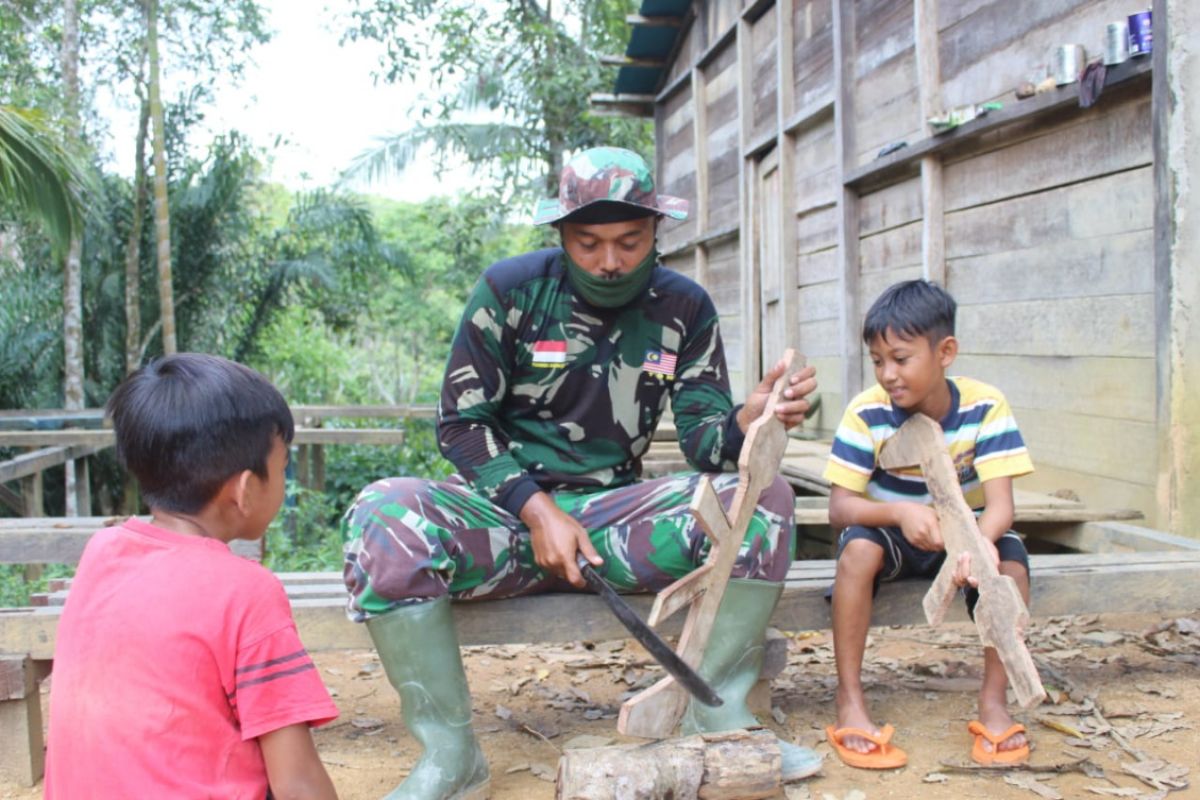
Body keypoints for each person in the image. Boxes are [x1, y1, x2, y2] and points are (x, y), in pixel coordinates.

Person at [341, 146, 822, 799]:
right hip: (503, 521)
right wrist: (538, 510)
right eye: (587, 242)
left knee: (761, 495)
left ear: (656, 231)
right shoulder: (511, 291)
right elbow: (460, 424)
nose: (610, 261)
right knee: (383, 512)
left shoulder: (684, 307)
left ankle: (717, 717)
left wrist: (752, 422)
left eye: (630, 240)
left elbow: (709, 444)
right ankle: (451, 757)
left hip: (613, 529)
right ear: (561, 234)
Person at [45, 354, 339, 799]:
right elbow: (297, 783)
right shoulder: (246, 591)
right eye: (282, 469)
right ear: (243, 490)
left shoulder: (101, 553)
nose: (282, 481)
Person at [822, 280, 1035, 769]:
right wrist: (900, 512)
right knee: (857, 551)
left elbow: (1002, 506)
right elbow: (840, 508)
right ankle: (850, 700)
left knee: (1011, 567)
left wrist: (976, 547)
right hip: (893, 533)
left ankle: (994, 702)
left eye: (900, 358)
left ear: (945, 352)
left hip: (970, 533)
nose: (888, 374)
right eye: (877, 361)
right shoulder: (867, 412)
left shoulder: (986, 407)